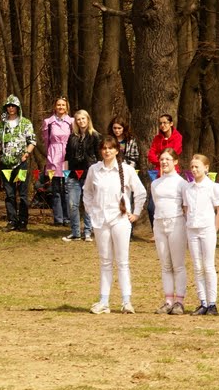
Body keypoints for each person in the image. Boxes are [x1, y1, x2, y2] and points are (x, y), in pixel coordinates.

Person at [83, 136, 146, 314]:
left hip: (120, 220)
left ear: (117, 151)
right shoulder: (94, 170)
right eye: (104, 148)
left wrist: (136, 213)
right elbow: (87, 192)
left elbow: (140, 192)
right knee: (105, 261)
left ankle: (126, 301)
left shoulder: (126, 170)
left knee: (123, 262)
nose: (107, 151)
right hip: (100, 221)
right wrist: (90, 210)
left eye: (110, 148)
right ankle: (104, 301)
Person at [183, 154, 219, 316]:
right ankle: (203, 301)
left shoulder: (213, 187)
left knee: (208, 266)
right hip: (192, 230)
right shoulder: (188, 188)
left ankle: (212, 302)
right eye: (192, 167)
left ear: (206, 168)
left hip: (207, 230)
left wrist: (213, 229)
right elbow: (186, 209)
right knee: (197, 266)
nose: (194, 170)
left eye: (197, 167)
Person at [151, 149, 189, 315]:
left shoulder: (182, 183)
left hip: (176, 223)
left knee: (178, 265)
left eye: (167, 159)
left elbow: (186, 207)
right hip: (159, 224)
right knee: (165, 265)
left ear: (175, 162)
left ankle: (179, 302)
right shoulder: (155, 183)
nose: (164, 162)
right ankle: (168, 300)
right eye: (162, 159)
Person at [0, 94, 36, 232]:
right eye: (9, 106)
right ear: (6, 108)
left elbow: (32, 141)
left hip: (21, 164)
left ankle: (23, 221)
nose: (11, 108)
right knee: (9, 193)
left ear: (18, 108)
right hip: (5, 164)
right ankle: (12, 220)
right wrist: (1, 153)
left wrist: (26, 154)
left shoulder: (26, 123)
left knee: (23, 194)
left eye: (13, 106)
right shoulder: (1, 125)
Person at [63, 110, 102, 242]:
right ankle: (75, 232)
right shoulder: (72, 137)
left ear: (88, 119)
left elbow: (99, 156)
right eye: (78, 119)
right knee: (72, 204)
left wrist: (99, 174)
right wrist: (65, 173)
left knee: (88, 204)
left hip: (89, 174)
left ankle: (87, 231)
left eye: (83, 119)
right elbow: (66, 157)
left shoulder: (95, 136)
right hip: (73, 175)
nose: (81, 121)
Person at [146, 113, 183, 226]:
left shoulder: (177, 137)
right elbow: (151, 154)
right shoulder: (157, 138)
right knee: (151, 207)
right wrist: (160, 161)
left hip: (173, 173)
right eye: (160, 123)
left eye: (165, 122)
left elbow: (173, 154)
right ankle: (155, 229)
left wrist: (163, 158)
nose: (162, 125)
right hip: (159, 174)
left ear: (171, 123)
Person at [42, 97, 73, 227]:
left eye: (63, 105)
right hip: (53, 157)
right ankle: (58, 218)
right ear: (55, 107)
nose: (61, 107)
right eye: (58, 105)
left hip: (66, 157)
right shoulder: (48, 122)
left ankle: (67, 218)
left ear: (67, 107)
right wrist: (49, 155)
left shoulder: (72, 122)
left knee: (66, 188)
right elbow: (45, 141)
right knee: (55, 189)